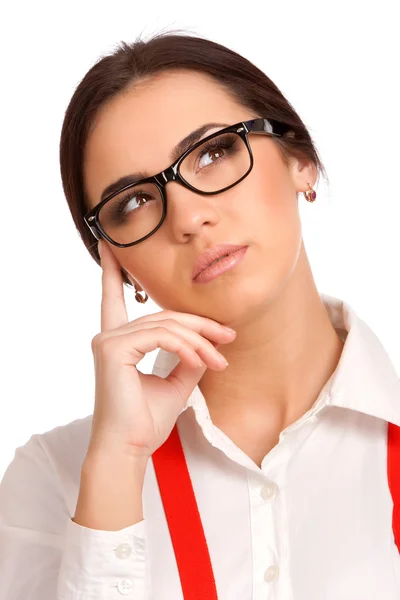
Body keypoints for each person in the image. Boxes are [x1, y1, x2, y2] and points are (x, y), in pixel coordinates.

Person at [1, 30, 400, 600]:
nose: (187, 216)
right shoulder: (53, 479)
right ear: (118, 265)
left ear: (302, 160)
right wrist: (117, 468)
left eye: (213, 152)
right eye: (133, 201)